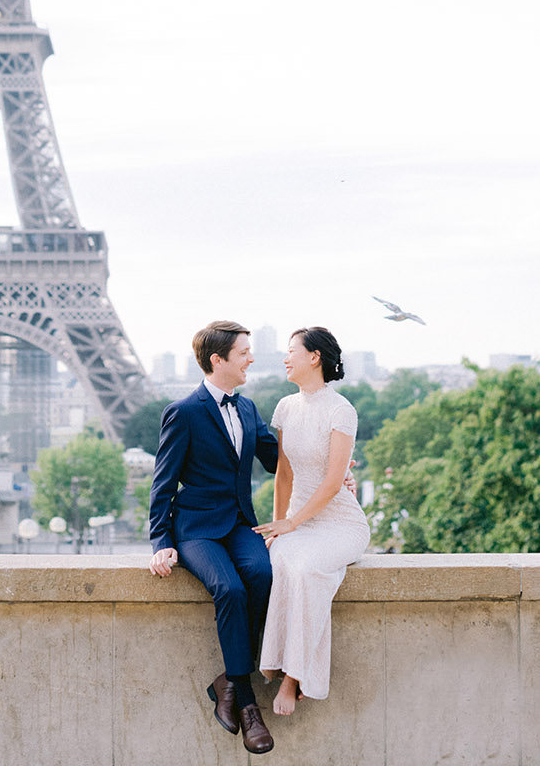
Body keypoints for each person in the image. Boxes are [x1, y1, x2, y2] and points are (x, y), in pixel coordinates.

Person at [149, 321, 279, 754]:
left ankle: (227, 679)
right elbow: (163, 485)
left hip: (240, 522)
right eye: (244, 352)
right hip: (196, 529)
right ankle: (247, 705)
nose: (251, 358)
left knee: (262, 574)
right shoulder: (183, 411)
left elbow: (279, 461)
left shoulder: (247, 409)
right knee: (229, 588)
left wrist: (336, 473)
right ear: (217, 360)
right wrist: (160, 543)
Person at [254, 326, 370, 715]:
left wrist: (292, 522)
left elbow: (335, 481)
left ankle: (292, 677)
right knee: (280, 560)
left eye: (291, 352)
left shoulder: (341, 410)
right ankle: (280, 663)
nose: (285, 359)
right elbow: (283, 475)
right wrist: (278, 525)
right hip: (298, 521)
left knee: (305, 570)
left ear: (314, 357)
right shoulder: (285, 407)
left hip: (340, 523)